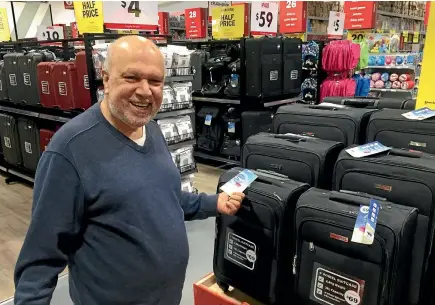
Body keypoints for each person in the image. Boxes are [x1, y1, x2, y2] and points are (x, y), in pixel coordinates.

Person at [14, 36, 245, 305]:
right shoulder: (70, 150)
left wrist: (212, 202)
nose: (145, 91)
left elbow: (165, 196)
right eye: (132, 77)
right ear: (106, 79)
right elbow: (39, 261)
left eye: (155, 81)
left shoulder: (152, 129)